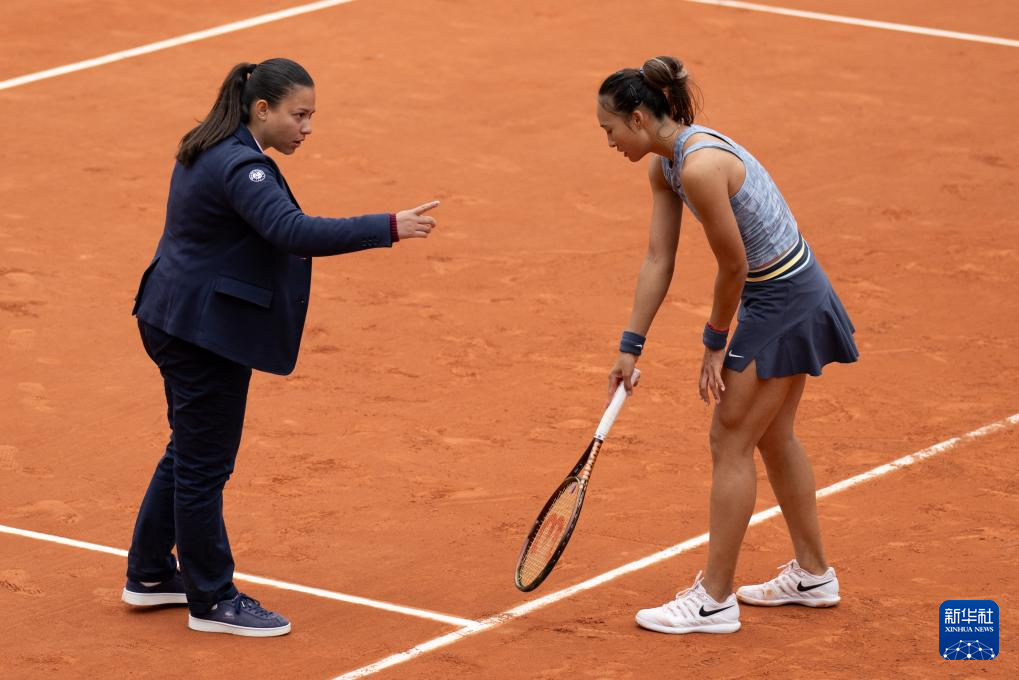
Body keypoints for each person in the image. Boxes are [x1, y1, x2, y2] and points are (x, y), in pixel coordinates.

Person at [121, 58, 440, 637]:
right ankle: (212, 599)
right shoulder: (242, 167)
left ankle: (148, 574)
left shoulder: (210, 146)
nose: (307, 128)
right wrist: (388, 225)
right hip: (199, 333)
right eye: (300, 115)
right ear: (260, 110)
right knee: (203, 465)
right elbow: (292, 231)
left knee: (189, 449)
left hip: (174, 316)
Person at [597, 56, 858, 635]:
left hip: (784, 298)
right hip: (788, 293)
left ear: (638, 118)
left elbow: (734, 264)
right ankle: (814, 574)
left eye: (609, 129)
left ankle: (714, 600)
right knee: (771, 434)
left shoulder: (698, 168)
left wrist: (715, 342)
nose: (608, 140)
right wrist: (630, 346)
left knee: (730, 436)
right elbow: (658, 258)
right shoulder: (664, 168)